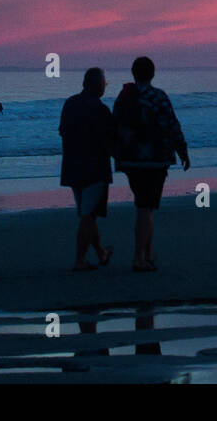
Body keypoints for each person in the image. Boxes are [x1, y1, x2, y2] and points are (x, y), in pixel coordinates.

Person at [113, 56, 189, 272]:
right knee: (145, 207)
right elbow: (172, 125)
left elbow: (114, 126)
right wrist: (182, 150)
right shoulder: (158, 96)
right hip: (155, 160)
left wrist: (116, 154)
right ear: (153, 74)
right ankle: (139, 257)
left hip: (130, 160)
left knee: (144, 206)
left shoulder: (124, 96)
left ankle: (148, 253)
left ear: (133, 73)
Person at [59, 67, 116, 271]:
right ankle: (80, 260)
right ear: (98, 86)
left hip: (73, 167)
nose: (105, 87)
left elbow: (63, 132)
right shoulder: (101, 110)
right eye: (104, 83)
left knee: (87, 213)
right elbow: (110, 142)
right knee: (88, 215)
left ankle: (101, 252)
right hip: (95, 169)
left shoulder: (70, 104)